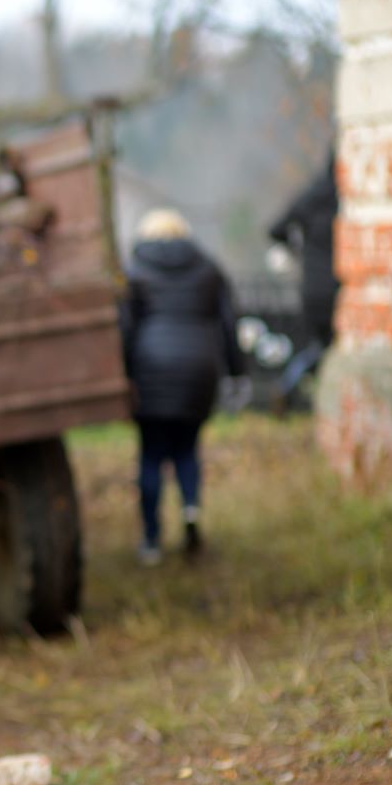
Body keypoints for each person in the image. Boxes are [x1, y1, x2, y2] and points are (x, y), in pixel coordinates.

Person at [119, 209, 247, 566]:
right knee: (187, 450)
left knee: (152, 455)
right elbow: (228, 324)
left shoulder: (134, 270)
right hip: (198, 371)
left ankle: (151, 541)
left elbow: (125, 328)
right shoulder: (208, 268)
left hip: (151, 371)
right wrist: (237, 372)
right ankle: (190, 509)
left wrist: (124, 374)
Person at [266, 150, 339, 406]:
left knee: (319, 346)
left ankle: (291, 385)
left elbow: (276, 229)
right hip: (341, 288)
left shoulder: (312, 196)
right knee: (330, 348)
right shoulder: (347, 199)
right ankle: (292, 386)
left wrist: (300, 250)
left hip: (311, 288)